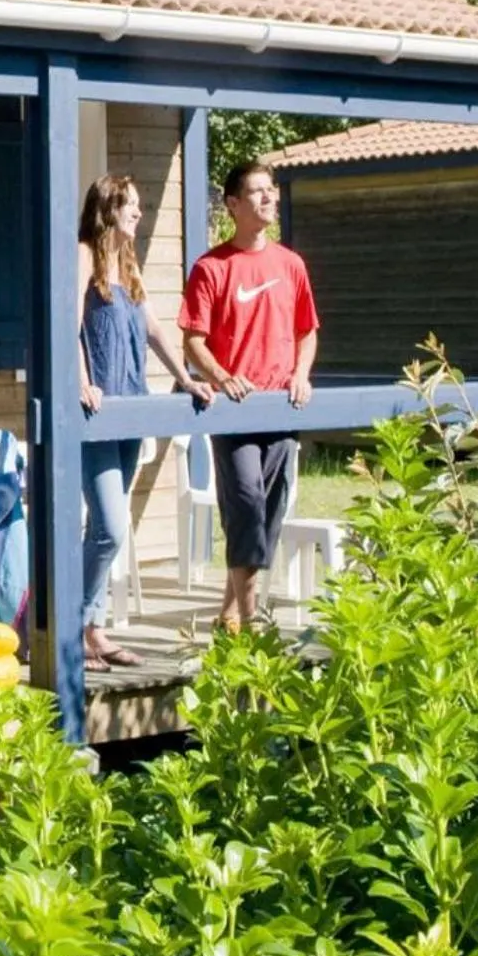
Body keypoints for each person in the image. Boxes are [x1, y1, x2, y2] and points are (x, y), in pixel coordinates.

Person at [75, 174, 214, 671]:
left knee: (107, 528)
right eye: (130, 205)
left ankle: (92, 629)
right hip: (96, 412)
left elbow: (153, 329)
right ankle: (72, 627)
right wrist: (81, 380)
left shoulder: (128, 263)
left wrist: (187, 377)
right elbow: (70, 324)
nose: (138, 212)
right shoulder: (84, 256)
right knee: (109, 527)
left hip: (131, 409)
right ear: (107, 209)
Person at [179, 161, 320, 632]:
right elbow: (193, 340)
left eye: (271, 191)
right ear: (233, 205)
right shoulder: (211, 267)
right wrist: (221, 375)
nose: (268, 199)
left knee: (268, 510)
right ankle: (252, 613)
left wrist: (302, 374)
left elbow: (307, 331)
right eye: (257, 192)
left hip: (282, 405)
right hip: (235, 411)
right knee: (244, 501)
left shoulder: (291, 264)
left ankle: (229, 611)